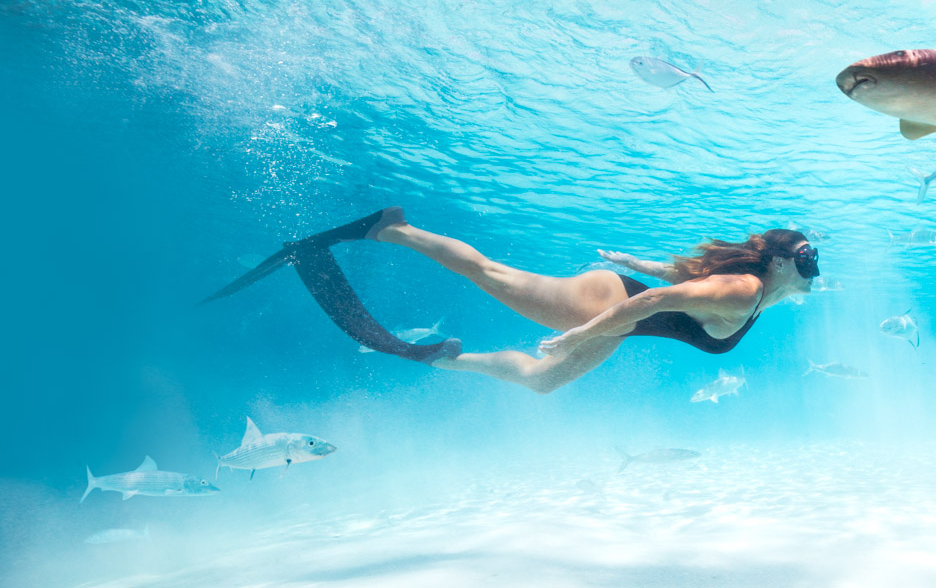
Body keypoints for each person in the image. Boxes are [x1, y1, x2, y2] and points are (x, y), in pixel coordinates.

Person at [205, 207, 820, 393]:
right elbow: (653, 300)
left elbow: (680, 279)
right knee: (491, 275)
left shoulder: (751, 289)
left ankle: (443, 357)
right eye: (809, 257)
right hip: (606, 307)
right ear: (778, 261)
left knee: (542, 382)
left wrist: (634, 262)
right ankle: (389, 226)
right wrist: (583, 333)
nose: (815, 267)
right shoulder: (743, 291)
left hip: (619, 316)